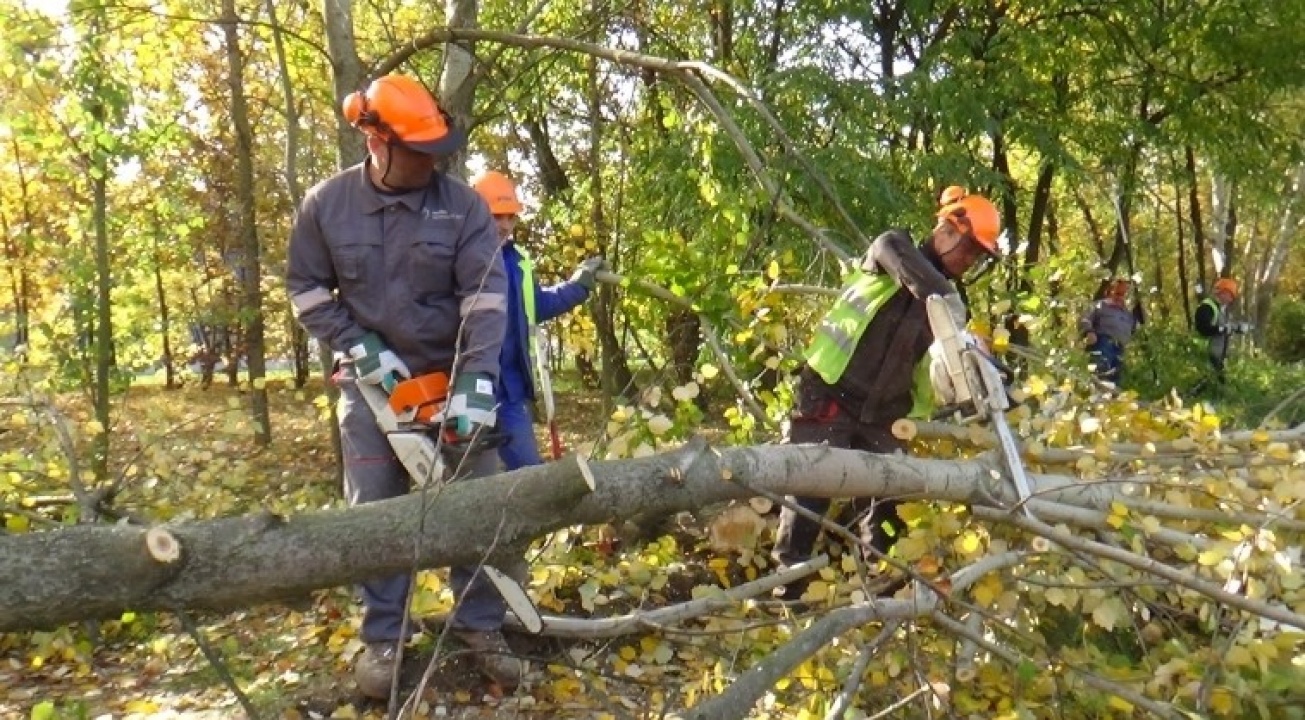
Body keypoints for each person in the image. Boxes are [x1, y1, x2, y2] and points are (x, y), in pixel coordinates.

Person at [285, 74, 521, 698]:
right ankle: (383, 638)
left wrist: (474, 381)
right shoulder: (325, 206)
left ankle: (480, 623)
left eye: (437, 150)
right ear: (376, 140)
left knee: (480, 505)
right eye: (419, 151)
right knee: (378, 514)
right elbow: (305, 291)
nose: (432, 163)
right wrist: (357, 344)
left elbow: (485, 297)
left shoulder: (463, 206)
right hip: (371, 391)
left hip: (450, 377)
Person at [771, 190, 1004, 601]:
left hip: (885, 412)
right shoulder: (893, 249)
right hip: (831, 386)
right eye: (967, 249)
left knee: (887, 506)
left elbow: (936, 368)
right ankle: (787, 590)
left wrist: (970, 376)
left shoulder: (948, 306)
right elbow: (914, 275)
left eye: (977, 256)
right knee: (812, 487)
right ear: (945, 229)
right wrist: (950, 306)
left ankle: (880, 594)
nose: (969, 261)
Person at [471, 171, 606, 470]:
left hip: (510, 389)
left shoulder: (518, 260)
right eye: (497, 216)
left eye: (511, 217)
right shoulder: (458, 255)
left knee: (530, 474)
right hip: (469, 389)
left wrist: (579, 285)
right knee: (472, 482)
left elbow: (537, 306)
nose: (505, 225)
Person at [1079, 278, 1143, 384]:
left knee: (1114, 382)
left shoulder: (1127, 314)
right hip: (1103, 344)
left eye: (1123, 294)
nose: (1120, 297)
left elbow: (1135, 331)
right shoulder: (1100, 305)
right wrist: (1089, 331)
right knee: (1099, 375)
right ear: (1110, 291)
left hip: (1120, 350)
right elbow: (1085, 318)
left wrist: (1141, 313)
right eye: (1118, 293)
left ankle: (1110, 399)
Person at [1194, 277, 1248, 389]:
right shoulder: (1207, 307)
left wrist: (1237, 328)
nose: (1231, 299)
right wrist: (1222, 329)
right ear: (1223, 292)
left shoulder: (1220, 309)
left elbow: (1223, 327)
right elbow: (1204, 328)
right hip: (1206, 353)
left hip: (1217, 355)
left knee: (1216, 383)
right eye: (1230, 295)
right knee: (1204, 384)